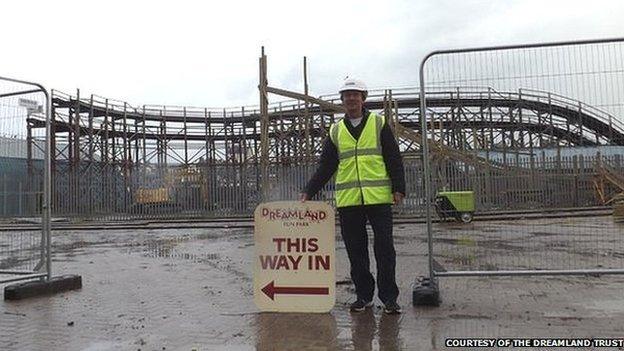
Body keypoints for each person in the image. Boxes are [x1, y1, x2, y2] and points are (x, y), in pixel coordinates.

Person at [300, 77, 405, 314]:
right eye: (347, 95)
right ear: (343, 100)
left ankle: (389, 298)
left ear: (363, 98)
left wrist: (399, 187)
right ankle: (364, 296)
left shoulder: (378, 123)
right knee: (356, 251)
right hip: (348, 202)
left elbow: (393, 158)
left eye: (355, 94)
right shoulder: (336, 131)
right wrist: (309, 190)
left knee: (385, 249)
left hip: (378, 198)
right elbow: (326, 166)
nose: (351, 99)